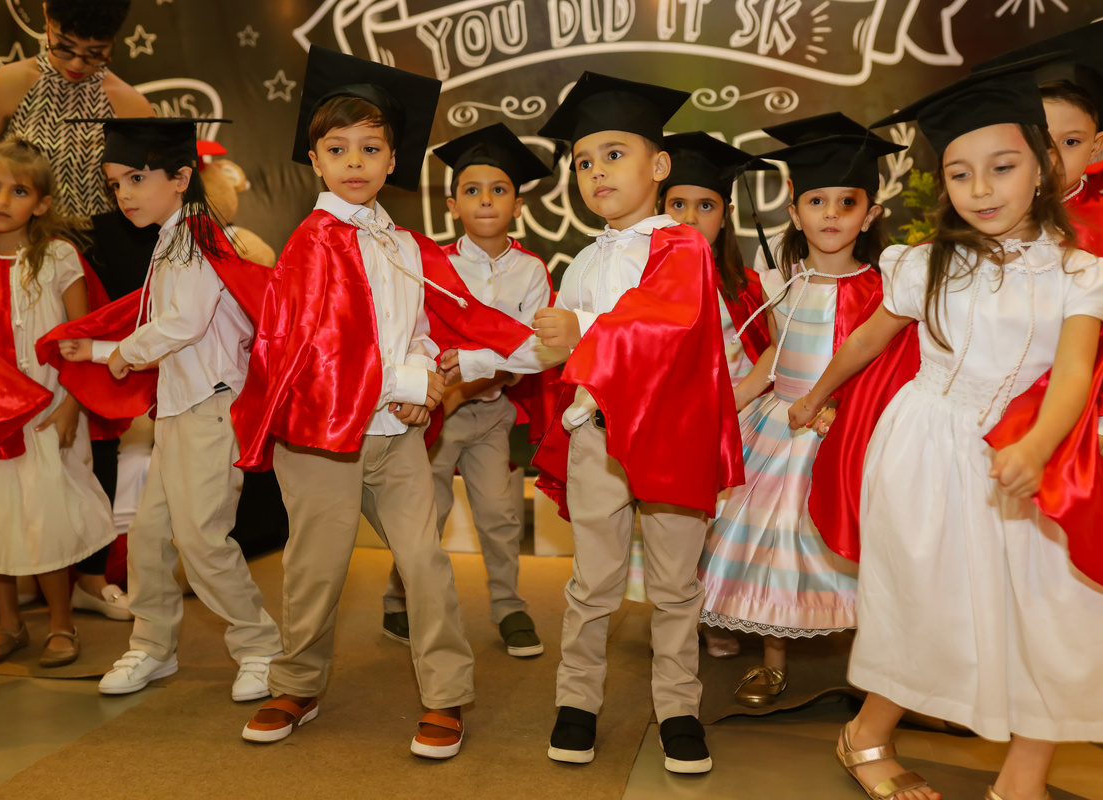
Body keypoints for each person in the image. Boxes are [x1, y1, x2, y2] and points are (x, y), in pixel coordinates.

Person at [788, 66, 1103, 800]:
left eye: (1003, 167)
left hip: (1027, 458)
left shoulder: (1083, 272)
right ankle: (865, 734)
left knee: (1050, 613)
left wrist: (1037, 447)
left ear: (1043, 166)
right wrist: (815, 395)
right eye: (960, 173)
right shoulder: (924, 263)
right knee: (930, 606)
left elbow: (1075, 374)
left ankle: (1022, 780)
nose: (981, 188)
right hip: (925, 452)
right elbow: (868, 339)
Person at [230, 46, 532, 757]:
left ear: (393, 159)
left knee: (424, 561)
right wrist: (409, 384)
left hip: (394, 437)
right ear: (315, 160)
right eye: (338, 149)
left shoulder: (402, 244)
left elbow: (426, 324)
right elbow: (314, 348)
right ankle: (298, 685)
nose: (355, 162)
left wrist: (428, 373)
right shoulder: (311, 244)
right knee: (317, 567)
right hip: (321, 442)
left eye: (370, 148)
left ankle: (446, 694)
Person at [443, 71, 744, 774]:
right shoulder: (582, 261)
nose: (597, 171)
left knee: (675, 586)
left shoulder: (683, 247)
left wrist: (584, 329)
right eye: (583, 161)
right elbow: (553, 345)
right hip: (597, 439)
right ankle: (577, 702)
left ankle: (678, 710)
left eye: (614, 154)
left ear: (658, 166)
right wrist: (479, 358)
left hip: (669, 442)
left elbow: (665, 326)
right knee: (592, 583)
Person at [54, 118, 282, 702]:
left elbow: (184, 324)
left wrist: (120, 353)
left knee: (202, 540)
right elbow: (167, 325)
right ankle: (153, 645)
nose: (124, 194)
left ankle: (260, 646)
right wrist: (101, 350)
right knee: (149, 534)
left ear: (181, 178)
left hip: (210, 409)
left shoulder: (196, 237)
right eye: (115, 184)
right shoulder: (174, 237)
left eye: (136, 178)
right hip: (181, 410)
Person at [689, 117, 905, 707]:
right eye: (816, 201)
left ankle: (878, 668)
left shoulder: (884, 287)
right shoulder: (778, 282)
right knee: (773, 547)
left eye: (847, 202)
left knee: (854, 544)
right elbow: (770, 361)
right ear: (794, 210)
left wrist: (841, 412)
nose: (831, 214)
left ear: (870, 214)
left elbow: (881, 367)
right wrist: (722, 410)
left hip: (845, 432)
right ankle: (773, 660)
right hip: (779, 427)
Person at [0, 0, 154, 622]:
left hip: (95, 258)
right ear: (46, 21)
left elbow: (155, 188)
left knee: (95, 411)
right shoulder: (7, 84)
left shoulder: (129, 104)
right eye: (65, 46)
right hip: (7, 255)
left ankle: (91, 574)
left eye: (94, 54)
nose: (76, 63)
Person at [381, 123, 553, 658]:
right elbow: (419, 337)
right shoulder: (435, 266)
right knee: (425, 513)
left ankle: (509, 606)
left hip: (490, 414)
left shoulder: (531, 271)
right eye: (472, 190)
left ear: (518, 205)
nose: (486, 200)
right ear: (453, 205)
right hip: (436, 412)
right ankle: (398, 598)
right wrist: (442, 393)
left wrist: (473, 381)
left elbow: (528, 352)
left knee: (499, 516)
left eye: (499, 190)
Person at [0, 139, 116, 664]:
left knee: (45, 519)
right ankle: (9, 626)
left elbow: (81, 337)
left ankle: (61, 624)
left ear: (42, 203)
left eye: (19, 191)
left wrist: (72, 406)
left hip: (49, 414)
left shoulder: (57, 258)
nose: (2, 199)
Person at [975, 19, 1103, 455]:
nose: (1052, 155)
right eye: (1039, 139)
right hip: (984, 399)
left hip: (1078, 407)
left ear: (1098, 145)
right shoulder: (987, 214)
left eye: (1071, 141)